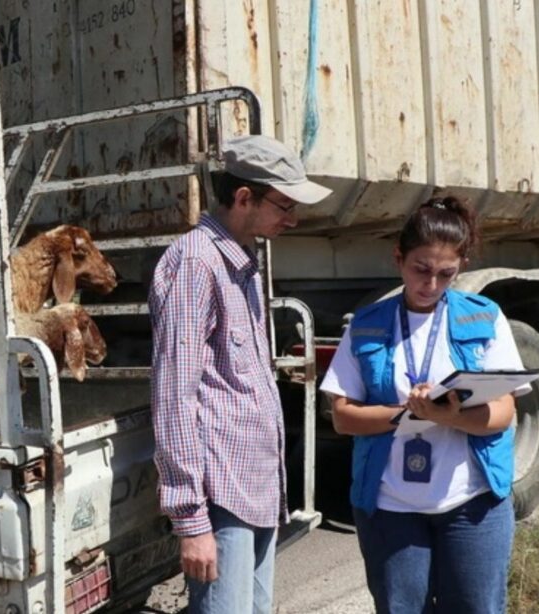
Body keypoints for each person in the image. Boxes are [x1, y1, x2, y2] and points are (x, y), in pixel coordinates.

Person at [320, 195, 529, 613]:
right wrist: (409, 415)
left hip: (472, 504)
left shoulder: (484, 317)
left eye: (445, 274)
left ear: (461, 267)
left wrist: (451, 416)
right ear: (399, 258)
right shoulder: (366, 325)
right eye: (421, 269)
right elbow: (342, 418)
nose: (431, 284)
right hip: (390, 506)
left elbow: (504, 413)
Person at [149, 134, 332, 613]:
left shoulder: (243, 263)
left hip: (255, 488)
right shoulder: (196, 263)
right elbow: (174, 394)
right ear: (244, 197)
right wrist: (191, 521)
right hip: (222, 498)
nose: (293, 218)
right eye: (284, 204)